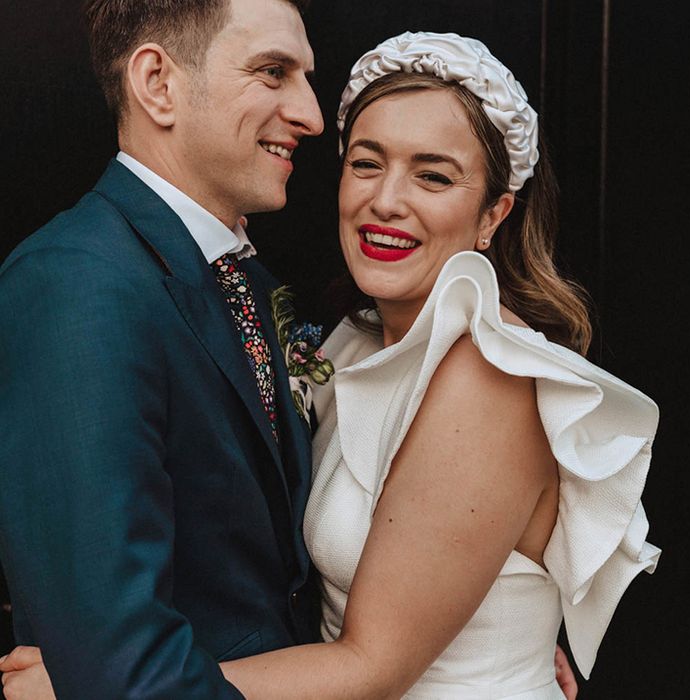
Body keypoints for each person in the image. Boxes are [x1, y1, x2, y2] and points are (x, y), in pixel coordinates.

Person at [2, 29, 655, 699]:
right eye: (368, 163)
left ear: (493, 215)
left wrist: (92, 687)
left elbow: (370, 666)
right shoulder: (349, 342)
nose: (387, 200)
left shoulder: (488, 378)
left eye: (433, 175)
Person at [0, 0, 325, 697]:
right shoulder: (77, 285)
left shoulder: (245, 279)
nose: (311, 114)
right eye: (273, 72)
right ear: (158, 83)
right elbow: (126, 673)